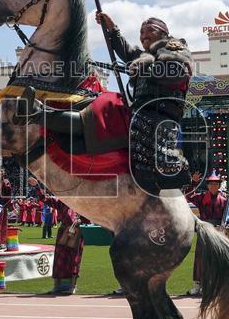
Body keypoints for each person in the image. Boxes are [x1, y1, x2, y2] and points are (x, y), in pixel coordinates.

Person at [17, 12, 193, 195]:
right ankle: (40, 113)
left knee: (108, 119)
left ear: (163, 33)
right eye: (141, 32)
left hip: (157, 117)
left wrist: (142, 67)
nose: (143, 36)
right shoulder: (146, 56)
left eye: (149, 31)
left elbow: (173, 72)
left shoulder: (175, 50)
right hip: (136, 110)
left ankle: (38, 114)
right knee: (101, 103)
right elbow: (128, 52)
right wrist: (112, 30)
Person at [32, 177, 83, 295]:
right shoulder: (60, 201)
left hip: (75, 232)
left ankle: (73, 286)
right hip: (63, 230)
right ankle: (57, 286)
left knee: (74, 259)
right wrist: (36, 186)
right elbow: (44, 198)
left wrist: (82, 220)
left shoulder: (80, 202)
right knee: (59, 258)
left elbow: (88, 216)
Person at [184, 171, 228, 297]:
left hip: (217, 232)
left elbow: (227, 218)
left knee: (216, 258)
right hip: (204, 231)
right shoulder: (202, 197)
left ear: (219, 185)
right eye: (211, 184)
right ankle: (197, 286)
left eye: (216, 184)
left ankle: (213, 285)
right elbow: (188, 196)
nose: (213, 186)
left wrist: (223, 227)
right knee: (200, 259)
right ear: (207, 185)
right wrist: (193, 183)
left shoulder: (224, 200)